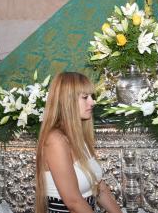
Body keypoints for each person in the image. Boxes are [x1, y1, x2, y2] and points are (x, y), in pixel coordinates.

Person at [35, 72, 122, 213]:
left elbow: (100, 188)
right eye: (85, 97)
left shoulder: (78, 137)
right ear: (67, 101)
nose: (92, 102)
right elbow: (73, 202)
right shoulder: (56, 140)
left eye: (91, 96)